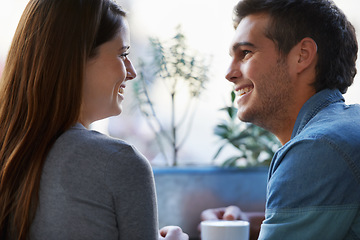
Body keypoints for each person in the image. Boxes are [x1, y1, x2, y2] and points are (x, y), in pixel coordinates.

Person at [0, 0, 188, 240]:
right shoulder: (119, 163)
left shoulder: (9, 153)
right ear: (77, 60)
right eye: (123, 54)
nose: (132, 72)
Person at [201, 0, 360, 239]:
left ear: (302, 56)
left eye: (246, 53)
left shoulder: (317, 148)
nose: (229, 73)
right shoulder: (343, 129)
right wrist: (259, 222)